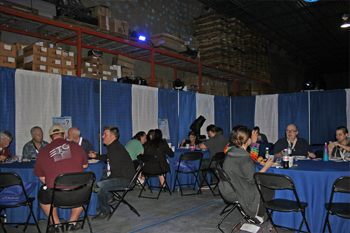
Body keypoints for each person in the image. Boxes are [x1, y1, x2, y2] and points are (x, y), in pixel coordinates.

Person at [33, 125, 88, 232]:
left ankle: (56, 224)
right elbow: (85, 165)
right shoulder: (77, 146)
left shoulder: (43, 151)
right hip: (78, 193)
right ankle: (72, 222)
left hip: (55, 195)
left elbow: (41, 177)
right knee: (86, 187)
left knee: (42, 194)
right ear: (64, 135)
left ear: (50, 138)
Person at [219, 126, 273, 230]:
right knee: (268, 188)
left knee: (263, 187)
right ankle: (256, 218)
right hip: (236, 192)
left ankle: (253, 219)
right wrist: (266, 167)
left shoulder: (230, 151)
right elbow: (252, 179)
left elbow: (247, 166)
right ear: (248, 140)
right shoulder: (244, 157)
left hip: (227, 189)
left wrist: (253, 142)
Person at [89, 126, 135, 221]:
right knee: (99, 176)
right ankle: (109, 199)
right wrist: (96, 156)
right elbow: (108, 157)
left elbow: (116, 172)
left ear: (112, 137)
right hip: (121, 174)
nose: (102, 136)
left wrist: (103, 183)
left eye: (105, 134)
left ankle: (105, 211)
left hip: (125, 179)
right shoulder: (112, 146)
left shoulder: (116, 149)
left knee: (101, 186)